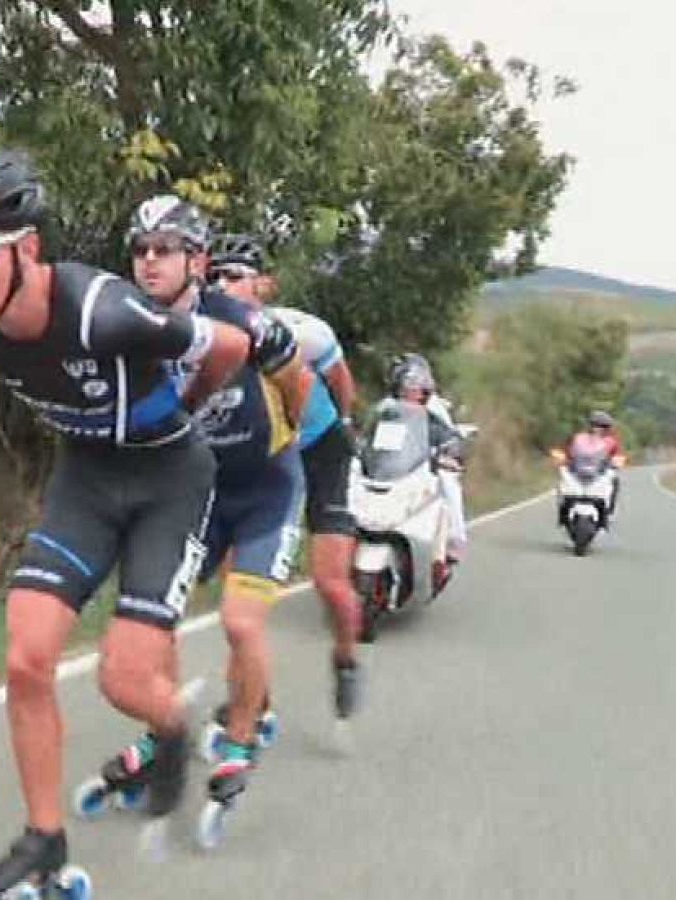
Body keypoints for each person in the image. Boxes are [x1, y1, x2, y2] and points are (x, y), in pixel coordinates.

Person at [0, 151, 260, 897]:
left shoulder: (105, 311)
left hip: (170, 478)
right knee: (24, 658)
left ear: (28, 248)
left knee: (124, 677)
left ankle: (172, 724)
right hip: (88, 478)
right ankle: (43, 845)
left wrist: (188, 412)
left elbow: (230, 346)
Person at [119, 196, 312, 814]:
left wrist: (285, 437)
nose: (149, 262)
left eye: (165, 250)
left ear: (196, 261)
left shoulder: (244, 321)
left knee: (240, 620)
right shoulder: (127, 328)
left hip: (265, 489)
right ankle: (164, 732)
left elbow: (298, 379)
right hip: (196, 493)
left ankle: (241, 738)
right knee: (153, 623)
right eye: (140, 251)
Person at [209, 233, 363, 720]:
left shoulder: (304, 331)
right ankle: (251, 699)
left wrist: (338, 425)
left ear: (265, 285)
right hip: (270, 462)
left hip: (322, 450)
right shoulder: (203, 334)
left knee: (330, 582)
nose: (221, 285)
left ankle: (345, 657)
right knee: (240, 588)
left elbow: (341, 382)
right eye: (214, 276)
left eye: (234, 277)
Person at [388, 354, 468, 561]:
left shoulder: (434, 408)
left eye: (415, 384)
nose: (410, 389)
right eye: (405, 383)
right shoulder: (387, 407)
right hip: (394, 466)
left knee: (448, 482)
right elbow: (374, 435)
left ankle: (454, 539)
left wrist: (448, 453)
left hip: (427, 465)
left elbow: (448, 436)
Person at [558, 410, 627, 525]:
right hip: (577, 471)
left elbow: (618, 454)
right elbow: (567, 450)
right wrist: (564, 458)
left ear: (607, 428)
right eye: (595, 425)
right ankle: (562, 513)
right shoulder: (578, 438)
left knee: (615, 480)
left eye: (601, 426)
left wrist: (617, 461)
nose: (597, 428)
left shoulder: (611, 442)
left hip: (599, 472)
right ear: (590, 426)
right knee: (563, 483)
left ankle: (609, 510)